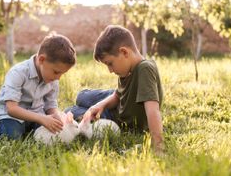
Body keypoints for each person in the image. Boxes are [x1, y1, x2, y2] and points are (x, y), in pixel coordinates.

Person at [66, 25, 164, 153]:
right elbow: (118, 95)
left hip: (117, 118)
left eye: (110, 63)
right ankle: (97, 103)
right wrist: (100, 105)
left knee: (71, 111)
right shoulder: (127, 70)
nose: (110, 70)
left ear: (124, 52)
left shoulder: (144, 69)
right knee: (82, 96)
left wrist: (158, 147)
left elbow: (153, 111)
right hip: (118, 103)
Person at [0, 33, 76, 140]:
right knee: (12, 137)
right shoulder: (18, 73)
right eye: (56, 72)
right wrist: (42, 119)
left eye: (62, 74)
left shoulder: (52, 78)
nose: (58, 78)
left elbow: (50, 104)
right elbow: (11, 109)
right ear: (41, 60)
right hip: (11, 116)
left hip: (37, 115)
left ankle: (28, 128)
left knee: (51, 134)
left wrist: (55, 115)